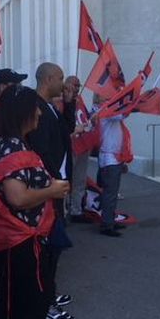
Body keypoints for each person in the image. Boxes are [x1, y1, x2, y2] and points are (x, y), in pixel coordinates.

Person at [0, 85, 70, 319]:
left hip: (14, 242)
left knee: (14, 308)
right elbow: (17, 198)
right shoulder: (13, 145)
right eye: (36, 107)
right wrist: (52, 190)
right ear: (23, 113)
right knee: (27, 311)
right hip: (23, 242)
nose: (40, 113)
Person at [27, 62, 77, 319]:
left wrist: (69, 103)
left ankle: (50, 293)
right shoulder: (36, 108)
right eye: (60, 78)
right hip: (48, 189)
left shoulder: (50, 107)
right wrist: (52, 183)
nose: (63, 83)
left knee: (54, 247)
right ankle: (44, 303)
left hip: (56, 186)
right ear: (47, 79)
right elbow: (41, 151)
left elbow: (66, 133)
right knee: (49, 247)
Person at [93, 93, 133, 237]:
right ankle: (107, 225)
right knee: (110, 193)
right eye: (107, 97)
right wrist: (133, 101)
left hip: (113, 156)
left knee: (111, 193)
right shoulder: (104, 111)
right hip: (109, 158)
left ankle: (109, 220)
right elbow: (122, 114)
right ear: (98, 99)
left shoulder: (104, 111)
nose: (110, 99)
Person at [67, 76, 97, 223]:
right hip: (70, 145)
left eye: (78, 85)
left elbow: (85, 117)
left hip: (83, 144)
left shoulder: (79, 99)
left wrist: (92, 120)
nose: (76, 88)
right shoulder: (61, 100)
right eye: (74, 85)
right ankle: (65, 209)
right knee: (66, 180)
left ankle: (76, 210)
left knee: (79, 179)